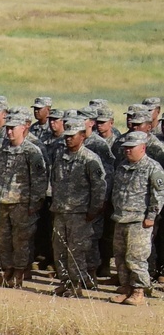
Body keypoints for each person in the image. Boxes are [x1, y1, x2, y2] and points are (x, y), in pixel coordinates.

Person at [50, 115, 105, 296]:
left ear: (82, 135)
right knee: (59, 249)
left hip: (80, 214)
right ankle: (65, 282)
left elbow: (99, 188)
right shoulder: (60, 156)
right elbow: (54, 181)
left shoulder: (90, 159)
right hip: (60, 211)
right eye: (66, 136)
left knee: (77, 251)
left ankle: (77, 285)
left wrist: (92, 211)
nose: (68, 139)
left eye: (72, 136)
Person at [0, 109, 48, 286]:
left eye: (13, 128)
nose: (9, 131)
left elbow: (39, 181)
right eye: (7, 128)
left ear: (23, 128)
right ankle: (7, 271)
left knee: (21, 241)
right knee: (4, 240)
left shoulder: (32, 152)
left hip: (22, 204)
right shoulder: (3, 149)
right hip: (4, 201)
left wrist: (34, 204)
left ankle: (19, 273)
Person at [110, 132, 164, 305]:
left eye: (131, 147)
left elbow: (159, 195)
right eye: (126, 147)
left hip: (139, 221)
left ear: (143, 147)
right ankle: (126, 288)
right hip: (121, 218)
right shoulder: (122, 166)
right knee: (120, 256)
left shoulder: (152, 168)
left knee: (136, 258)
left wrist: (151, 216)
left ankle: (138, 291)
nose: (127, 151)